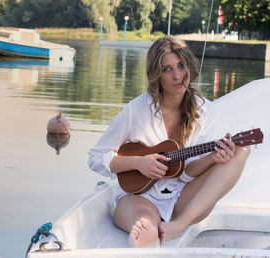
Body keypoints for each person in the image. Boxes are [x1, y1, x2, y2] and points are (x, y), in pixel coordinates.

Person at [88, 36, 250, 247]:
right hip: (140, 197)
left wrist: (212, 157)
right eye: (167, 69)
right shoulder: (136, 110)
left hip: (184, 199)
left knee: (240, 150)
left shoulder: (205, 111)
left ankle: (180, 225)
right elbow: (96, 157)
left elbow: (187, 173)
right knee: (145, 231)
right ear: (156, 75)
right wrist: (138, 163)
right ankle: (149, 226)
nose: (177, 75)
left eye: (181, 66)